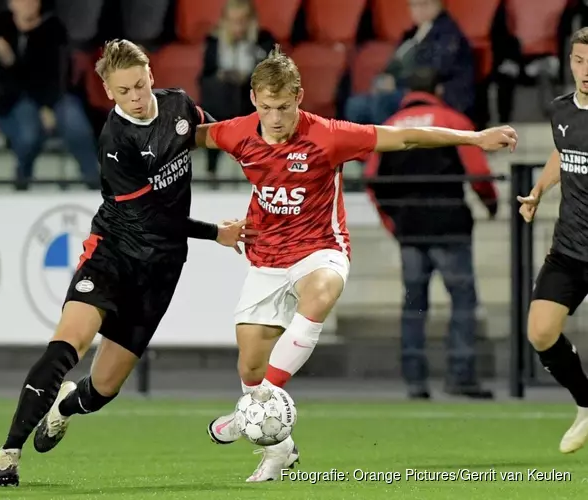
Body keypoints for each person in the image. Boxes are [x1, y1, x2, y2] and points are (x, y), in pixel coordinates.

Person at [195, 46, 517, 482]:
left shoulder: (327, 135)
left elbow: (404, 137)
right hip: (266, 258)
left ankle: (253, 406)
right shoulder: (235, 133)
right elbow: (189, 135)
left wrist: (474, 138)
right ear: (253, 99)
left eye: (285, 107)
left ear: (300, 97)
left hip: (320, 249)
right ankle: (278, 450)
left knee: (322, 291)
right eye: (267, 107)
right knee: (249, 367)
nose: (276, 118)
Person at [0, 39, 256, 487]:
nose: (135, 97)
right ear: (109, 94)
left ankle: (64, 409)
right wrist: (216, 232)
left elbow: (211, 133)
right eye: (123, 92)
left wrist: (261, 146)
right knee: (64, 349)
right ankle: (8, 455)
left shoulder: (178, 105)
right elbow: (154, 217)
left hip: (160, 269)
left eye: (139, 85)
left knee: (103, 389)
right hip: (113, 254)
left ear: (151, 73)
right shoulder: (115, 143)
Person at [364, 67, 498, 400]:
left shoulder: (389, 126)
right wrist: (490, 204)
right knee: (463, 302)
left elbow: (371, 179)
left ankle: (415, 381)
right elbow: (478, 171)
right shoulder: (452, 119)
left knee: (414, 305)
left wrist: (391, 222)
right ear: (437, 88)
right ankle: (461, 377)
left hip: (410, 231)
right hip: (450, 225)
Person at [518, 27, 588, 455]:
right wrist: (540, 191)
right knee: (541, 333)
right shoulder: (561, 110)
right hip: (570, 248)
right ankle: (586, 403)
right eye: (579, 61)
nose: (586, 71)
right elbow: (564, 153)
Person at [0, 0, 100, 191]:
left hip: (51, 95)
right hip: (15, 98)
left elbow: (55, 76)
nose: (28, 4)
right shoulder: (0, 26)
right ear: (10, 4)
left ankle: (94, 180)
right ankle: (22, 180)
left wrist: (46, 105)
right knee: (29, 134)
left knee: (75, 122)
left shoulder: (53, 28)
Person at [344, 0, 474, 125]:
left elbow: (434, 71)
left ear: (438, 4)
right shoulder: (411, 35)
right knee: (355, 105)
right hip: (403, 89)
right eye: (413, 5)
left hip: (434, 92)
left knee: (383, 102)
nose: (419, 10)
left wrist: (396, 82)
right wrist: (384, 78)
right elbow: (394, 65)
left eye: (424, 4)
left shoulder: (448, 33)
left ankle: (392, 145)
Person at [199, 0, 275, 179]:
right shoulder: (214, 41)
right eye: (233, 21)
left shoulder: (264, 40)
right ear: (224, 21)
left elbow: (272, 73)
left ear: (251, 21)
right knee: (216, 89)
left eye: (242, 20)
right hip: (221, 97)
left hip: (252, 97)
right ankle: (215, 162)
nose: (238, 26)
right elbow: (206, 75)